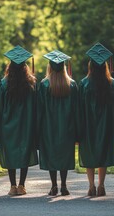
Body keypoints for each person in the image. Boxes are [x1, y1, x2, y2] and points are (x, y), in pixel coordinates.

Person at [79, 42, 114, 197]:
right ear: (106, 66)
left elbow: (78, 109)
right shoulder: (113, 84)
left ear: (90, 66)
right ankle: (101, 186)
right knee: (103, 154)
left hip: (88, 127)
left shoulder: (84, 84)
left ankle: (91, 186)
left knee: (89, 154)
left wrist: (77, 131)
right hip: (106, 126)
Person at [0, 45, 38, 196]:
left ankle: (12, 186)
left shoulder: (3, 83)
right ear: (25, 66)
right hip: (26, 124)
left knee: (11, 153)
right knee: (24, 152)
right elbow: (35, 106)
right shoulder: (31, 83)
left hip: (8, 124)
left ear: (10, 66)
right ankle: (22, 185)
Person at [37, 50, 78, 196]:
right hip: (67, 127)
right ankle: (64, 185)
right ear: (64, 67)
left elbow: (39, 109)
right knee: (64, 155)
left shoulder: (44, 84)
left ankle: (54, 186)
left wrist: (37, 129)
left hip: (48, 127)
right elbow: (76, 110)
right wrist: (77, 132)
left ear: (49, 66)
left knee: (52, 155)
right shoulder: (71, 85)